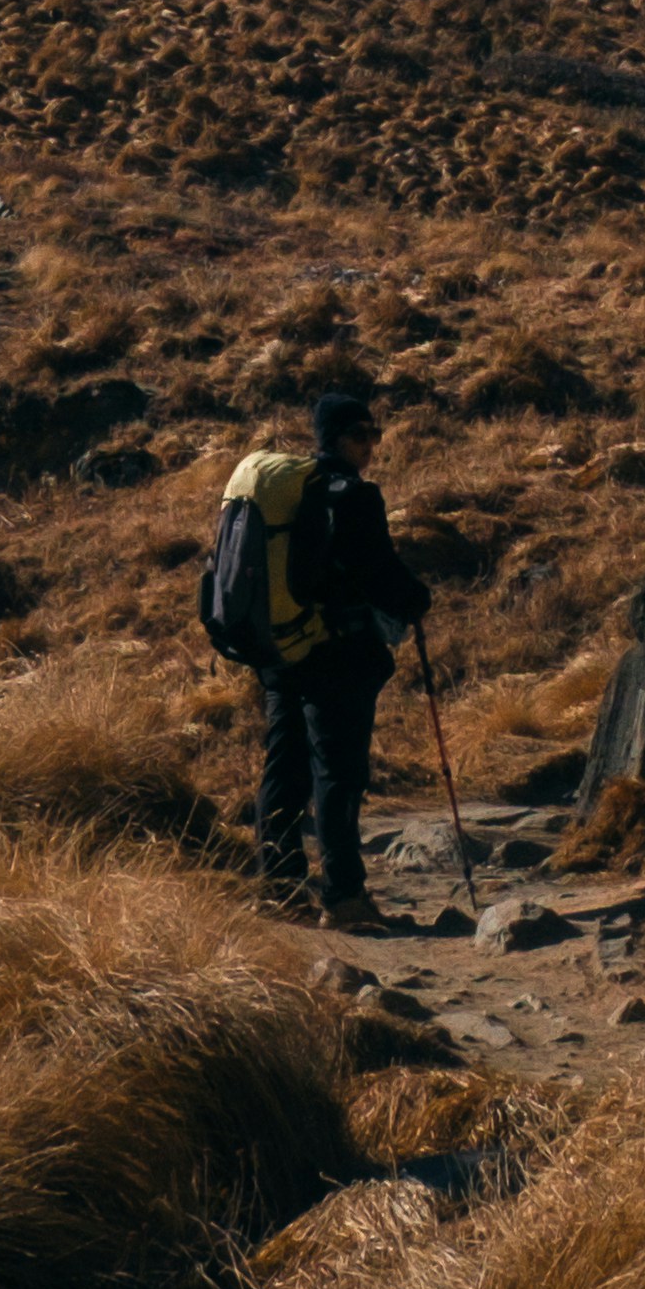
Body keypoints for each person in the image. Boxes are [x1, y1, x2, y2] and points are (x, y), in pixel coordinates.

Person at [212, 376, 431, 921]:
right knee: (338, 771)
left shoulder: (291, 494)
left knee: (283, 769)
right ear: (335, 437)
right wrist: (416, 599)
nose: (371, 445)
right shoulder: (355, 497)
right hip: (337, 653)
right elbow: (379, 573)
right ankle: (344, 895)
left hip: (281, 651)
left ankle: (280, 889)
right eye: (362, 435)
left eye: (373, 434)